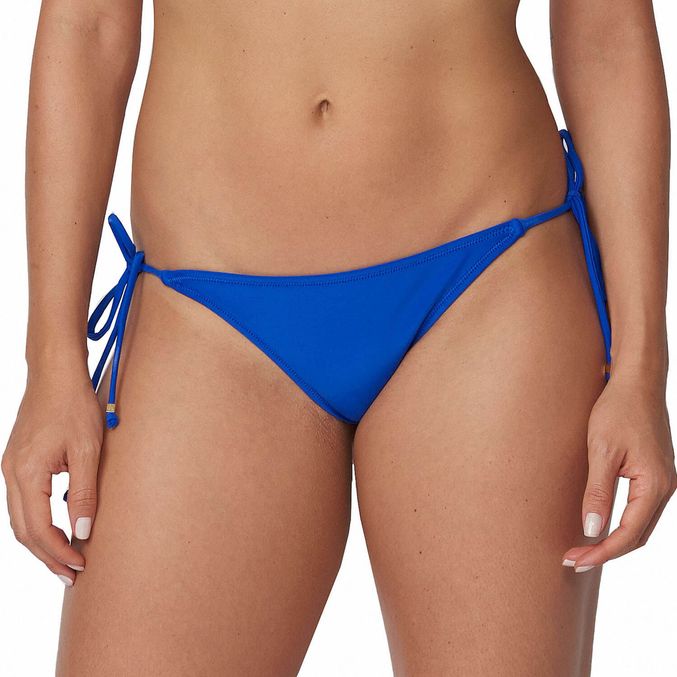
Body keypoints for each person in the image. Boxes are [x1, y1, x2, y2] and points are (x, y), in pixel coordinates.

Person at [2, 1, 675, 675]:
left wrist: (641, 369)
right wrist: (53, 363)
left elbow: (604, 30)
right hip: (204, 312)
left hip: (487, 275)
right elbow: (89, 23)